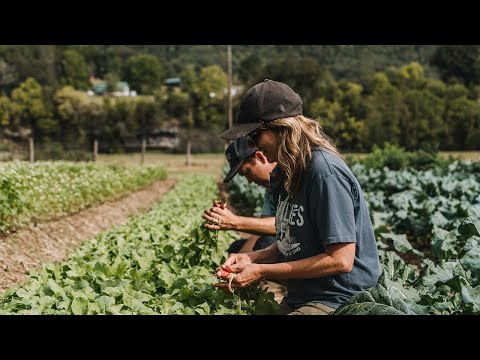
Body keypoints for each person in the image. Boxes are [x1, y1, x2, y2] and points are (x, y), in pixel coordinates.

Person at [215, 79, 381, 315]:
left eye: (255, 136)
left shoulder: (324, 172)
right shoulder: (285, 172)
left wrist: (263, 271)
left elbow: (341, 260)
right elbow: (288, 244)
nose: (254, 146)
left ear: (281, 127)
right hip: (304, 295)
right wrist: (251, 258)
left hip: (341, 298)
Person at [202, 137, 277, 254]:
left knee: (266, 242)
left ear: (260, 157)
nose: (249, 181)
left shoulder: (293, 178)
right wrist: (236, 261)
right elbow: (264, 228)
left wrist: (235, 222)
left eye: (247, 172)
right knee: (236, 248)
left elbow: (287, 226)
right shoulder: (270, 187)